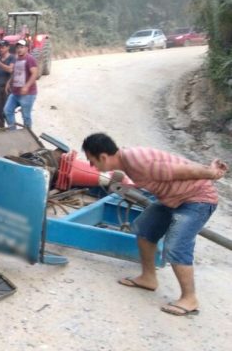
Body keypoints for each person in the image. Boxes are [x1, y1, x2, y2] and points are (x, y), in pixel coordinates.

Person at [81, 133, 227, 316]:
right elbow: (177, 165)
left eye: (91, 161)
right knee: (145, 230)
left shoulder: (137, 162)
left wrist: (211, 173)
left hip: (197, 200)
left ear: (103, 157)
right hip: (172, 199)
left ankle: (190, 299)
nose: (91, 166)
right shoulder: (128, 161)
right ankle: (148, 278)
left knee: (176, 245)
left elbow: (182, 171)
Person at [3, 39, 38, 130]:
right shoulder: (16, 59)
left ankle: (28, 134)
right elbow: (15, 72)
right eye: (18, 47)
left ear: (27, 48)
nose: (19, 49)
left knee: (25, 116)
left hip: (28, 94)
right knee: (7, 110)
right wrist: (9, 82)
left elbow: (35, 73)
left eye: (22, 47)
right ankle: (14, 132)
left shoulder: (30, 59)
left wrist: (26, 86)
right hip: (15, 93)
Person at [0, 40, 15, 129]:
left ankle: (11, 128)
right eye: (0, 47)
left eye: (3, 47)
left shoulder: (12, 58)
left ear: (8, 47)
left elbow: (10, 70)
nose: (1, 49)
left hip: (7, 88)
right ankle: (1, 127)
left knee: (7, 110)